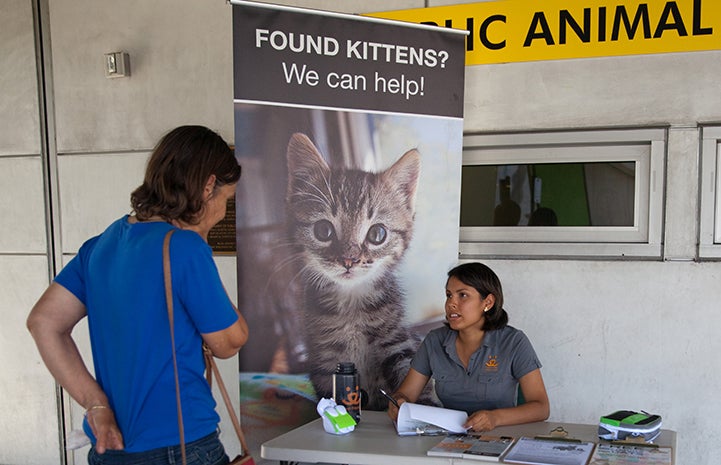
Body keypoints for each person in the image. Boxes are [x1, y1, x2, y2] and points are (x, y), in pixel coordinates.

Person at [27, 125, 249, 465]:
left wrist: (95, 403)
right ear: (208, 187)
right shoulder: (184, 248)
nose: (222, 212)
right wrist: (199, 239)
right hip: (179, 447)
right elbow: (229, 342)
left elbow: (43, 322)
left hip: (110, 448)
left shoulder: (100, 246)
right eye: (225, 199)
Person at [387, 262, 549, 432]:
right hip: (448, 437)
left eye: (462, 295)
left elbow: (541, 407)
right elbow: (406, 394)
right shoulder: (434, 341)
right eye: (449, 295)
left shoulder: (514, 342)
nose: (451, 304)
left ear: (488, 302)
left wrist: (495, 418)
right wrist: (398, 403)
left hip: (499, 435)